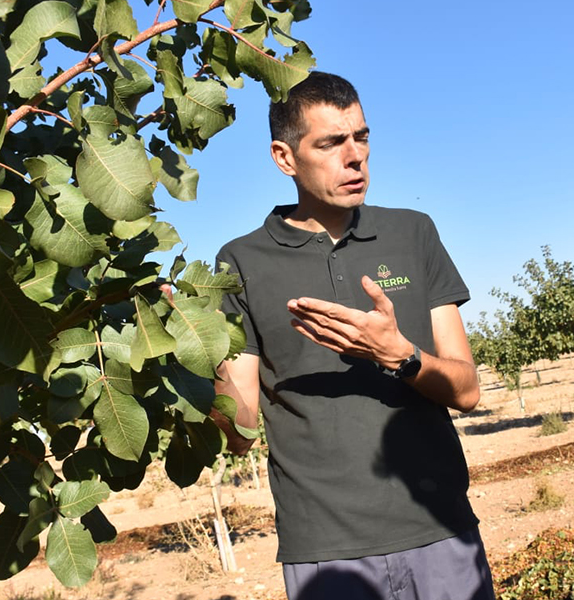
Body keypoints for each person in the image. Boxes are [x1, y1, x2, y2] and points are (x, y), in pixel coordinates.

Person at [211, 72, 493, 600]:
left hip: (440, 524)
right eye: (331, 143)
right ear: (284, 157)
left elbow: (468, 390)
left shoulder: (413, 232)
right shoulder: (241, 262)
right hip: (324, 549)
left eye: (361, 137)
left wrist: (400, 355)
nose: (355, 156)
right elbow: (239, 429)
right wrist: (195, 352)